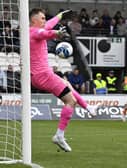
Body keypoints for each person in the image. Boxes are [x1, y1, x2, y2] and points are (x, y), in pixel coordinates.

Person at [29, 8, 98, 152]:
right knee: (70, 101)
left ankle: (89, 108)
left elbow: (49, 24)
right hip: (43, 75)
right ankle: (59, 135)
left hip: (40, 75)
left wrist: (61, 15)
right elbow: (46, 32)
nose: (44, 21)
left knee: (67, 84)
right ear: (34, 20)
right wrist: (57, 33)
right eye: (42, 18)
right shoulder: (34, 32)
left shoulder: (33, 30)